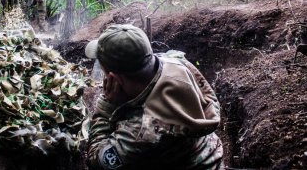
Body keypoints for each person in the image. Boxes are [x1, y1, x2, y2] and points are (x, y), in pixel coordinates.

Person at [84, 24, 224, 170]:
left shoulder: (141, 133)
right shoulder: (177, 62)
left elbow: (96, 161)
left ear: (113, 78)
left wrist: (108, 108)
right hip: (209, 157)